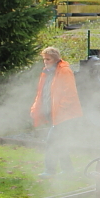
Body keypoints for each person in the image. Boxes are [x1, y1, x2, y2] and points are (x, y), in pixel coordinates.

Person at [30, 46, 82, 177]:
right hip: (55, 114)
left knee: (52, 142)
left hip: (65, 115)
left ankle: (50, 170)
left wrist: (60, 109)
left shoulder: (64, 71)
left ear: (55, 59)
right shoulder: (46, 72)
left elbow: (70, 93)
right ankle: (68, 170)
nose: (45, 62)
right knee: (60, 142)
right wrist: (35, 108)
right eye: (44, 59)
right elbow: (41, 93)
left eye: (48, 59)